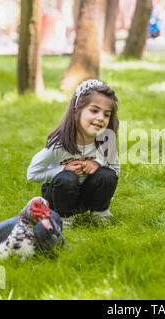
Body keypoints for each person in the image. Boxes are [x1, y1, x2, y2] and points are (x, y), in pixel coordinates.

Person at [27, 79, 120, 224]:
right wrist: (63, 169)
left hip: (86, 194)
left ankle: (100, 213)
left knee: (107, 175)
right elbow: (32, 174)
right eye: (94, 110)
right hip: (60, 195)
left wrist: (97, 163)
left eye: (106, 114)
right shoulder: (59, 144)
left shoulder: (105, 141)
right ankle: (64, 218)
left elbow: (115, 172)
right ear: (77, 110)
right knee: (67, 178)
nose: (101, 118)